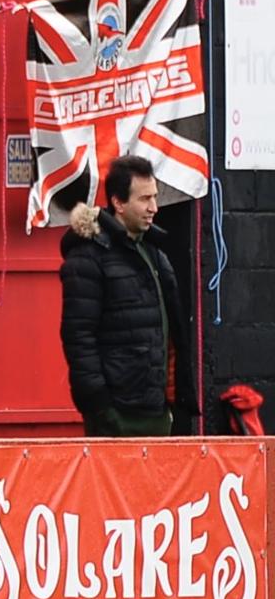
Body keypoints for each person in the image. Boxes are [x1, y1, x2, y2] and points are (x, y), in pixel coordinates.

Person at [59, 155, 196, 436]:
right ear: (118, 203)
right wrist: (100, 406)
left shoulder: (155, 253)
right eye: (144, 199)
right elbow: (77, 337)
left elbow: (171, 335)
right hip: (115, 416)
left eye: (155, 197)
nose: (154, 208)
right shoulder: (88, 256)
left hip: (157, 411)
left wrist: (171, 400)